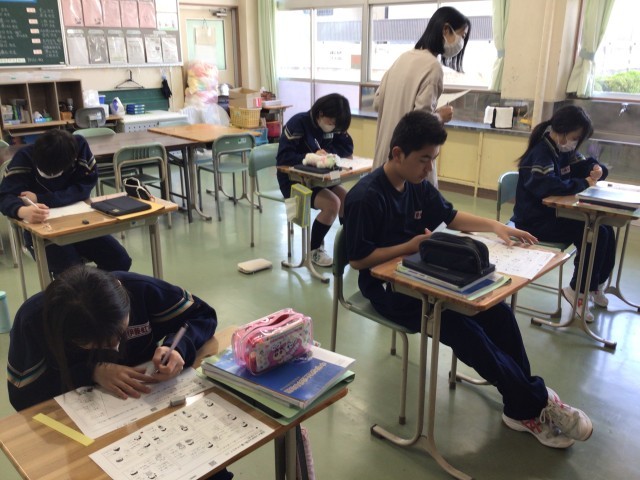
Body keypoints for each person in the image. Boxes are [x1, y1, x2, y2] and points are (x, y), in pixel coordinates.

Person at [344, 110, 593, 449]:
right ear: (398, 154)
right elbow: (358, 259)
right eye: (423, 159)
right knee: (463, 330)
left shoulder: (417, 185)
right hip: (388, 289)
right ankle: (536, 403)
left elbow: (450, 216)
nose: (429, 168)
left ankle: (521, 405)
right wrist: (410, 246)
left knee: (498, 313)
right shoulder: (366, 196)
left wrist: (496, 226)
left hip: (426, 276)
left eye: (433, 159)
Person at [7, 265, 234, 480]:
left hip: (154, 402)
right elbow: (24, 396)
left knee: (202, 464)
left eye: (120, 333)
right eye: (97, 346)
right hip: (88, 427)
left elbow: (202, 315)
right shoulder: (34, 319)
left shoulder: (140, 289)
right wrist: (91, 371)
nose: (115, 347)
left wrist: (178, 347)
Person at [511, 105, 615, 323]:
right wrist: (583, 183)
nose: (575, 143)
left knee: (605, 227)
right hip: (534, 222)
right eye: (575, 138)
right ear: (563, 131)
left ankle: (593, 285)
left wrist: (598, 169)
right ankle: (577, 290)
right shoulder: (541, 153)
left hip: (554, 215)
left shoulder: (564, 149)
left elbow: (583, 165)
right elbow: (548, 186)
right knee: (594, 233)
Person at [0, 129, 132, 276]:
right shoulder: (24, 157)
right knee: (73, 273)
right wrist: (22, 211)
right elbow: (4, 196)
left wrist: (41, 198)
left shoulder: (79, 148)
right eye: (45, 173)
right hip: (44, 232)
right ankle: (83, 288)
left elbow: (83, 189)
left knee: (120, 260)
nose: (50, 176)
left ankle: (98, 287)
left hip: (80, 223)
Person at [372, 6, 471, 187]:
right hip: (409, 163)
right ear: (446, 30)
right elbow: (421, 124)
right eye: (462, 35)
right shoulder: (432, 66)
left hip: (385, 161)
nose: (462, 42)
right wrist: (440, 116)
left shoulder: (402, 58)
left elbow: (377, 103)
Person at [276, 93, 354, 267]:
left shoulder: (330, 128)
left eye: (336, 126)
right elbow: (283, 159)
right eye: (332, 122)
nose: (333, 127)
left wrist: (333, 148)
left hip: (320, 178)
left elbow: (347, 149)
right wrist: (310, 157)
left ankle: (347, 244)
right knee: (332, 204)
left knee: (346, 199)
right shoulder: (298, 123)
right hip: (292, 180)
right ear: (321, 114)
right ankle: (313, 251)